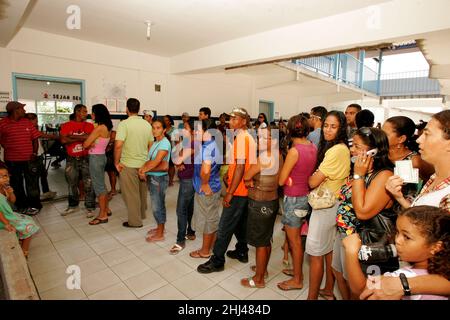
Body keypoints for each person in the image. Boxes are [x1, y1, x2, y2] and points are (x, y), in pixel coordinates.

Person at [363, 110, 450, 299]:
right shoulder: (435, 177)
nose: (418, 140)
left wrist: (404, 285)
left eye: (427, 134)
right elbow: (427, 225)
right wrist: (400, 199)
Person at [333, 127, 396, 300]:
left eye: (358, 146)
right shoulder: (359, 169)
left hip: (368, 244)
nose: (352, 150)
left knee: (364, 291)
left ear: (374, 151)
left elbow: (362, 212)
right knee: (340, 274)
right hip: (346, 236)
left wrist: (358, 176)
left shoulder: (383, 175)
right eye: (352, 144)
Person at [343, 205, 449, 300]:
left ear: (435, 247)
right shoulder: (442, 273)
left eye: (407, 237)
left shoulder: (406, 277)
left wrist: (351, 252)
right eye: (398, 232)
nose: (397, 240)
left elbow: (362, 291)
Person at [197, 107, 256, 273]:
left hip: (238, 190)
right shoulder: (246, 136)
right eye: (231, 118)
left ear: (244, 121)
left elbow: (240, 167)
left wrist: (230, 192)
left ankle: (217, 260)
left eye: (235, 118)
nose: (231, 121)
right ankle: (242, 251)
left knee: (224, 226)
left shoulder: (242, 138)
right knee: (239, 224)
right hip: (243, 189)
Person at [306, 110, 350, 300]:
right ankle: (328, 289)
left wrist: (313, 175)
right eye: (326, 125)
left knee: (315, 253)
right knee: (328, 249)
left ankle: (311, 297)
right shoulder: (342, 147)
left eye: (333, 126)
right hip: (335, 203)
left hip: (325, 206)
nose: (327, 130)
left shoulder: (335, 151)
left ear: (341, 129)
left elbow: (312, 182)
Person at [277, 115, 317, 291]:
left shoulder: (294, 151)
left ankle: (297, 279)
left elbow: (281, 180)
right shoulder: (313, 146)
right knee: (297, 239)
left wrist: (288, 178)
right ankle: (296, 270)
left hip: (294, 198)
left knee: (295, 242)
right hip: (305, 196)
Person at [240, 127, 282, 289]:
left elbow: (247, 175)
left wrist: (250, 180)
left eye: (265, 138)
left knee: (260, 242)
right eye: (260, 137)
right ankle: (262, 270)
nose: (260, 141)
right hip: (272, 201)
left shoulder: (265, 157)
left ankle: (258, 279)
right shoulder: (279, 154)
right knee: (266, 238)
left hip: (260, 204)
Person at [382, 116, 434, 214]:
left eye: (385, 134)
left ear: (401, 139)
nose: (380, 136)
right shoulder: (380, 155)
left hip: (405, 213)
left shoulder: (416, 161)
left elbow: (430, 185)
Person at [115, 98, 153, 228]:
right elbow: (151, 145)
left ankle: (135, 221)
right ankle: (141, 214)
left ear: (127, 109)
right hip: (143, 165)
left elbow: (118, 146)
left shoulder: (124, 124)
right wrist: (147, 162)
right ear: (138, 109)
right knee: (142, 192)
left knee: (131, 194)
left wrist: (116, 162)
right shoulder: (147, 124)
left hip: (128, 164)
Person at [0, 101, 43, 216]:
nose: (24, 111)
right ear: (15, 110)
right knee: (16, 184)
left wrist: (34, 152)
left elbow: (35, 138)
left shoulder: (27, 122)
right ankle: (22, 206)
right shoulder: (3, 124)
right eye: (22, 108)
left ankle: (35, 205)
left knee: (32, 183)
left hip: (29, 159)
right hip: (12, 160)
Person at [189, 120, 222, 258]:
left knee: (208, 220)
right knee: (212, 218)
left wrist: (204, 183)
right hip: (214, 187)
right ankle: (212, 246)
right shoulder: (214, 144)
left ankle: (204, 251)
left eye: (197, 130)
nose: (194, 133)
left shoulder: (207, 148)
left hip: (207, 190)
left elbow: (206, 170)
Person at [59, 104, 96, 217]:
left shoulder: (90, 126)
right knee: (72, 184)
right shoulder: (66, 125)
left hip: (86, 158)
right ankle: (72, 206)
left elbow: (90, 139)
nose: (86, 113)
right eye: (84, 111)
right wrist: (82, 136)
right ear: (77, 112)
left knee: (88, 183)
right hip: (71, 159)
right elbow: (63, 140)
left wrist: (72, 137)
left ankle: (90, 207)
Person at [139, 119, 171, 241]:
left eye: (158, 128)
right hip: (153, 176)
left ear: (164, 130)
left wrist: (143, 170)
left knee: (157, 206)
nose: (155, 130)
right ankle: (160, 227)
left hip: (159, 178)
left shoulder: (164, 143)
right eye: (153, 127)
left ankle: (160, 233)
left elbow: (158, 162)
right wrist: (144, 168)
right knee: (158, 204)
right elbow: (150, 161)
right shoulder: (155, 142)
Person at [0, 163, 40, 258]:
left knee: (28, 219)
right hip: (3, 219)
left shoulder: (4, 188)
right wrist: (7, 224)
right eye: (0, 177)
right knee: (29, 228)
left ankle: (21, 240)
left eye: (6, 175)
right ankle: (24, 252)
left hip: (8, 214)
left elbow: (12, 201)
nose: (5, 178)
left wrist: (11, 193)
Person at [169, 119, 196, 254]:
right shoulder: (186, 142)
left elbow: (176, 158)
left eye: (185, 128)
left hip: (188, 180)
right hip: (187, 179)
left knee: (181, 210)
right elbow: (176, 157)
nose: (181, 130)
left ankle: (180, 240)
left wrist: (178, 161)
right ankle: (190, 232)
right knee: (189, 207)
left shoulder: (192, 144)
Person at [83, 104, 113, 225]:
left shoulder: (100, 128)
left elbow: (85, 144)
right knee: (102, 185)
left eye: (93, 112)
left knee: (98, 187)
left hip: (96, 158)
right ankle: (106, 208)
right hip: (102, 157)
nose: (92, 115)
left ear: (98, 114)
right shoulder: (108, 126)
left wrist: (89, 143)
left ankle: (102, 215)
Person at [24, 113, 58, 201]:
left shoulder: (33, 128)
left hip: (39, 155)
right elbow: (42, 135)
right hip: (34, 157)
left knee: (43, 174)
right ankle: (35, 198)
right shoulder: (27, 129)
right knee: (34, 178)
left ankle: (46, 192)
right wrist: (56, 137)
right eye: (36, 120)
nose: (37, 122)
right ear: (30, 120)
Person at [164, 115, 176, 187]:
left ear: (170, 121)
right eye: (164, 120)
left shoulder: (174, 130)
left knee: (171, 166)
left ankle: (170, 181)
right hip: (163, 150)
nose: (165, 121)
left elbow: (177, 141)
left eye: (167, 120)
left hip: (172, 149)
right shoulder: (163, 129)